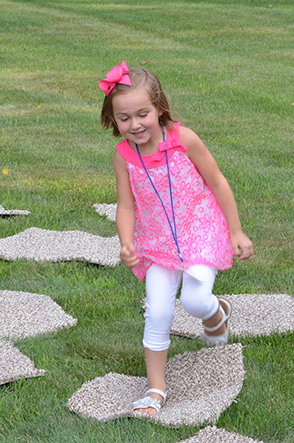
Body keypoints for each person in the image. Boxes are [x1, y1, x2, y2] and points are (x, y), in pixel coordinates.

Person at [99, 61, 253, 416]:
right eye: (124, 118)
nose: (135, 124)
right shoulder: (123, 156)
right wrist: (126, 241)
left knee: (196, 302)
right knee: (158, 311)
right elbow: (125, 206)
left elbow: (217, 182)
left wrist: (235, 230)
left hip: (199, 232)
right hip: (156, 245)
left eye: (143, 114)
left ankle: (216, 313)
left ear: (159, 109)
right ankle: (155, 389)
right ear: (113, 120)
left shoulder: (184, 139)